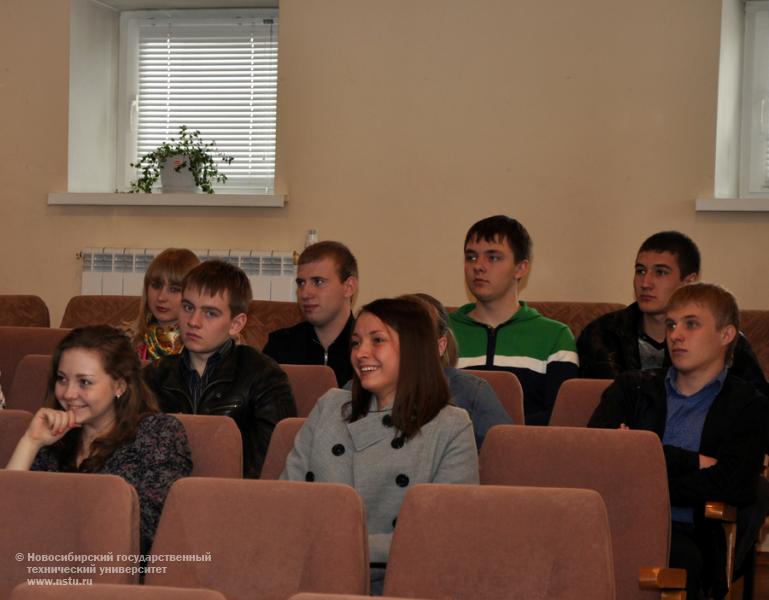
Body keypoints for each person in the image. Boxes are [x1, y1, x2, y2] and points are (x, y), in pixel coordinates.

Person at [281, 297, 479, 593]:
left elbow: (447, 533)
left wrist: (342, 544)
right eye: (356, 343)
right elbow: (286, 501)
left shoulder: (450, 425)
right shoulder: (330, 406)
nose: (361, 353)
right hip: (311, 579)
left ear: (414, 350)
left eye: (377, 341)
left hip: (400, 586)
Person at [588, 283, 769, 599]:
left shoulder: (748, 405)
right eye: (671, 324)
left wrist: (641, 461)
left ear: (727, 335)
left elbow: (734, 485)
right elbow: (595, 456)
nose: (675, 335)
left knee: (678, 558)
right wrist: (691, 461)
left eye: (691, 324)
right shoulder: (632, 388)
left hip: (687, 534)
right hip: (611, 523)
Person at [6, 325, 192, 555]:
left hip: (113, 573)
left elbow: (148, 530)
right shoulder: (56, 436)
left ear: (119, 385)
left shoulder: (158, 433)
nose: (68, 394)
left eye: (84, 382)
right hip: (39, 563)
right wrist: (31, 442)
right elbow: (7, 517)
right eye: (62, 379)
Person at [143, 259, 297, 478]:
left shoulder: (263, 375)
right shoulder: (155, 375)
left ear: (236, 324)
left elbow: (272, 463)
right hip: (166, 498)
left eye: (210, 313)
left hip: (234, 498)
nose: (193, 321)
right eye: (188, 308)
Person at [578, 231, 768, 397]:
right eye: (640, 271)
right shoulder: (601, 334)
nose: (645, 283)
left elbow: (759, 409)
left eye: (660, 272)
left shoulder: (723, 342)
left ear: (689, 281)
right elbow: (577, 402)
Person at [448, 215, 578, 425]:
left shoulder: (555, 335)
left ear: (521, 268)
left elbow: (562, 417)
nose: (478, 266)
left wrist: (503, 435)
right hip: (451, 451)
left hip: (527, 451)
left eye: (493, 257)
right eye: (471, 257)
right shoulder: (441, 331)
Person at [404, 293, 512, 448]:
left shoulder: (471, 392)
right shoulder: (362, 391)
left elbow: (507, 455)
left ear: (440, 346)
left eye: (415, 337)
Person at [263, 241, 358, 386]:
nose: (305, 293)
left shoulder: (368, 350)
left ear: (348, 287)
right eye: (301, 283)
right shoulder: (279, 346)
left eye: (318, 282)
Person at [127, 248, 200, 361]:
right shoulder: (127, 341)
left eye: (174, 289)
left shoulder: (203, 346)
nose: (161, 297)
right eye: (156, 286)